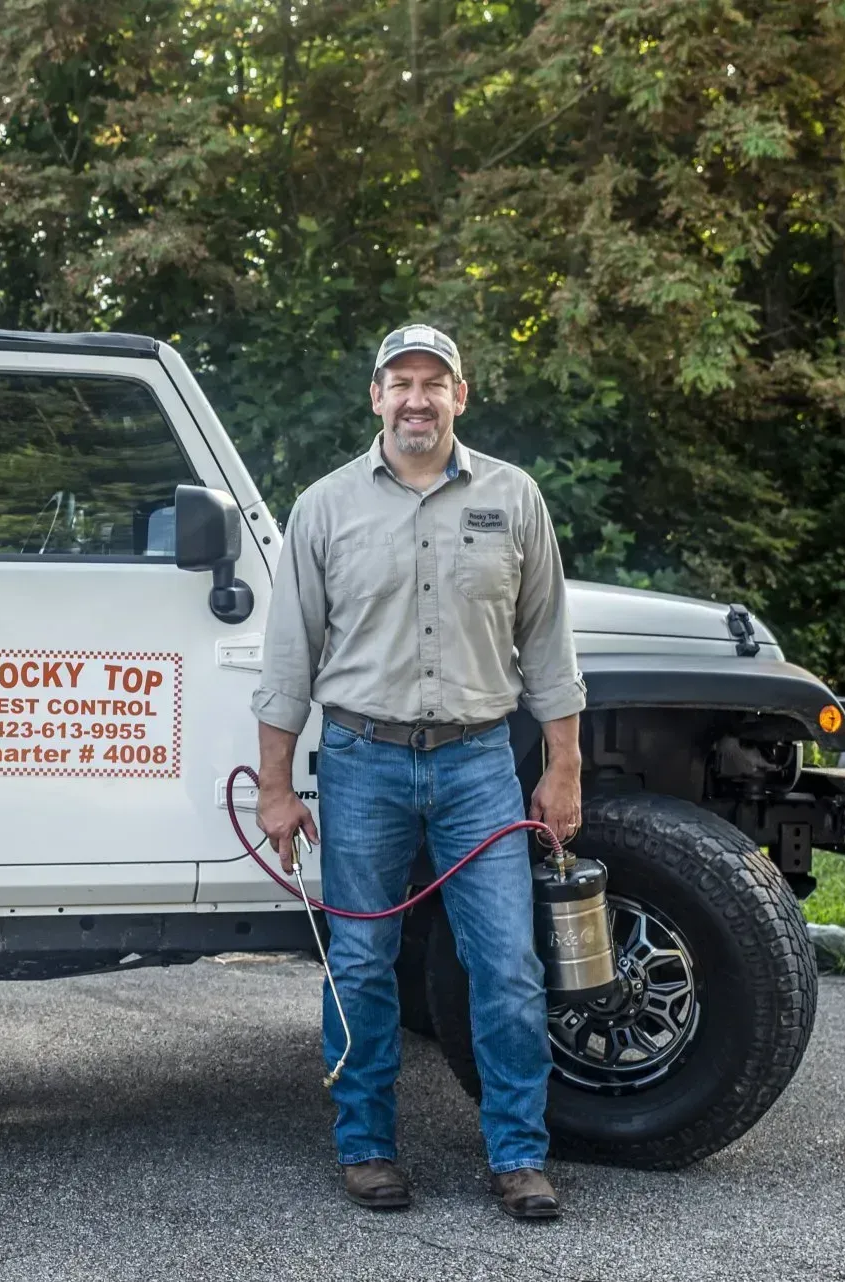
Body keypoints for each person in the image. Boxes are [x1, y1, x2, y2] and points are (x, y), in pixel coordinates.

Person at [251, 323, 587, 1220]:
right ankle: (366, 1147)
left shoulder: (514, 499)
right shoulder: (323, 507)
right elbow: (288, 662)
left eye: (433, 383)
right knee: (361, 961)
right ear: (375, 398)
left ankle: (519, 1155)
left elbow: (550, 647)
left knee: (508, 965)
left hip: (481, 762)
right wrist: (276, 790)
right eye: (399, 381)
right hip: (362, 762)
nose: (415, 398)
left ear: (460, 397)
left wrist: (564, 772)